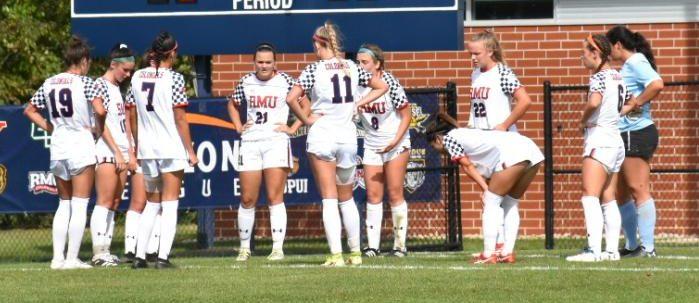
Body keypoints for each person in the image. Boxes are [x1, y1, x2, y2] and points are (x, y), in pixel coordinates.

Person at [286, 21, 388, 267]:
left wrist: (306, 119)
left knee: (329, 199)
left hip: (323, 135)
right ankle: (355, 254)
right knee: (347, 198)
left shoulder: (314, 69)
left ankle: (335, 256)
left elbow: (291, 98)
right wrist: (358, 104)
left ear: (319, 43)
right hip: (348, 138)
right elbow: (382, 85)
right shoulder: (352, 67)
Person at [24, 36, 105, 269]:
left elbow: (30, 110)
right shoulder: (86, 83)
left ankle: (57, 259)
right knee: (80, 205)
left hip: (58, 148)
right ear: (83, 61)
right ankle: (72, 259)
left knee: (64, 203)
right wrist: (97, 130)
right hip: (80, 145)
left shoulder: (49, 82)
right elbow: (99, 109)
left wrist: (52, 127)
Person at [426, 113, 543, 264]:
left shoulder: (449, 138)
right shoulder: (468, 135)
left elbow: (467, 166)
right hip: (531, 148)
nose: (437, 150)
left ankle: (488, 255)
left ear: (437, 139)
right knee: (510, 202)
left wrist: (485, 190)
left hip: (514, 152)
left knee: (491, 201)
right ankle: (507, 252)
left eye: (433, 146)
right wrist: (487, 188)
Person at [126, 32, 198, 269]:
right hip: (169, 147)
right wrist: (190, 150)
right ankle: (163, 257)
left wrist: (135, 147)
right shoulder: (174, 79)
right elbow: (180, 118)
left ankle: (139, 256)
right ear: (172, 52)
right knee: (170, 203)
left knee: (152, 203)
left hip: (147, 149)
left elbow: (132, 114)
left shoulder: (136, 76)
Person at [228, 42, 305, 261]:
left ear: (275, 63)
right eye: (260, 62)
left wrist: (292, 128)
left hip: (276, 142)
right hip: (251, 142)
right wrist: (238, 126)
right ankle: (244, 248)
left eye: (268, 62)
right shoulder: (246, 81)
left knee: (274, 196)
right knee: (248, 197)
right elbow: (232, 105)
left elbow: (306, 105)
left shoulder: (286, 81)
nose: (264, 66)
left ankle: (277, 248)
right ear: (254, 62)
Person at [467, 30, 532, 254]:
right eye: (470, 54)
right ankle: (499, 246)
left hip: (502, 142)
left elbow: (524, 100)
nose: (473, 58)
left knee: (503, 199)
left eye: (476, 53)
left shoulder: (503, 72)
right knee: (490, 196)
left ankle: (504, 249)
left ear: (490, 51)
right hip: (482, 140)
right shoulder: (475, 74)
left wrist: (504, 124)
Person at [566, 34, 629, 262]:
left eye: (585, 51)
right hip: (615, 140)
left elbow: (594, 102)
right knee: (608, 197)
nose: (582, 56)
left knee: (589, 195)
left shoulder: (599, 77)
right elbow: (629, 104)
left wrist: (582, 120)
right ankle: (611, 251)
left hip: (600, 138)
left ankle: (593, 250)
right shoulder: (618, 76)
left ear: (596, 53)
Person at [606, 25, 664, 258]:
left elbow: (657, 84)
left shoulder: (636, 61)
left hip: (636, 133)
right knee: (621, 193)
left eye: (610, 48)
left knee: (638, 189)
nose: (609, 53)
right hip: (624, 134)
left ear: (618, 45)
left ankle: (648, 248)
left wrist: (636, 102)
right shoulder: (628, 65)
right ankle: (632, 245)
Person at [355, 43, 411, 257]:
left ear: (377, 64)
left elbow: (406, 115)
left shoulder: (389, 82)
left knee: (395, 192)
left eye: (365, 62)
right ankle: (372, 246)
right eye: (358, 62)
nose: (360, 66)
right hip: (371, 143)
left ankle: (399, 246)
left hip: (395, 142)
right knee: (373, 194)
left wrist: (395, 141)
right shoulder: (357, 85)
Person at [89, 43, 136, 266]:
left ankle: (106, 249)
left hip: (121, 152)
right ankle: (98, 253)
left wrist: (128, 150)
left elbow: (122, 122)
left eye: (130, 71)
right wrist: (117, 151)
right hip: (107, 150)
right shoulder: (99, 85)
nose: (127, 75)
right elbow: (101, 124)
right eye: (125, 70)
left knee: (115, 201)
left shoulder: (118, 89)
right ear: (113, 64)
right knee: (105, 200)